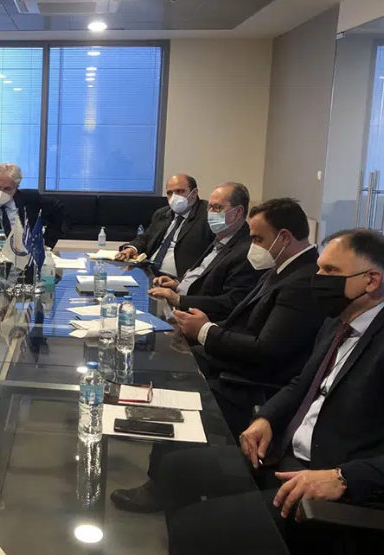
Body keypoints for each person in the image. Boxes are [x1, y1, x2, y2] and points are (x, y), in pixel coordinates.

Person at [160, 229, 384, 555]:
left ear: (372, 280)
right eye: (319, 268)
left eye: (330, 271)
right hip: (282, 457)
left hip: (335, 491)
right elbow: (302, 383)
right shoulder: (338, 322)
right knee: (176, 468)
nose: (318, 279)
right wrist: (266, 418)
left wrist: (342, 477)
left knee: (193, 527)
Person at [173, 197, 327, 436]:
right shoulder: (281, 268)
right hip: (230, 363)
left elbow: (266, 351)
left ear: (284, 237)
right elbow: (242, 322)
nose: (252, 246)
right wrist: (198, 327)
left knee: (170, 391)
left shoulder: (302, 282)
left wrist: (204, 331)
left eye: (257, 239)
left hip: (246, 385)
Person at [148, 182, 264, 321]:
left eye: (218, 208)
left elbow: (232, 302)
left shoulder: (246, 250)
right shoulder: (221, 238)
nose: (211, 213)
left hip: (198, 320)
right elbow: (205, 277)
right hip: (181, 304)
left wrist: (179, 299)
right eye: (210, 207)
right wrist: (178, 283)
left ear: (238, 212)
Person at [115, 174, 213, 279]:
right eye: (170, 193)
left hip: (179, 280)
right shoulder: (162, 213)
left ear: (194, 193)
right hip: (149, 272)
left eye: (180, 191)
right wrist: (132, 249)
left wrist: (181, 282)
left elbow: (213, 257)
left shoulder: (207, 216)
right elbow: (146, 238)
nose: (174, 197)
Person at [0, 162, 67, 254]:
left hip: (27, 256)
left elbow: (57, 208)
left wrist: (47, 242)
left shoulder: (31, 199)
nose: (1, 192)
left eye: (7, 189)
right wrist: (4, 248)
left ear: (16, 188)